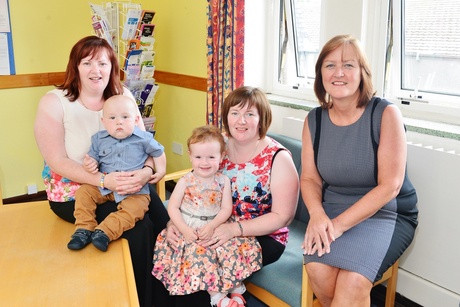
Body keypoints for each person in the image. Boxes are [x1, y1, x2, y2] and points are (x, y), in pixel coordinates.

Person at [34, 35, 169, 307]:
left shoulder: (124, 97)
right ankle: (143, 300)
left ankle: (179, 289)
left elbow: (144, 143)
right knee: (141, 229)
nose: (96, 71)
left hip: (127, 184)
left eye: (103, 63)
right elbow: (57, 160)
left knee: (165, 223)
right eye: (87, 63)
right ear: (75, 66)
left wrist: (146, 172)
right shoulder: (54, 102)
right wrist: (105, 180)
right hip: (78, 192)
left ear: (112, 67)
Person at [300, 34, 418, 306]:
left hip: (387, 213)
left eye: (348, 65)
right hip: (333, 209)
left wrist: (337, 227)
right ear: (320, 74)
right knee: (317, 269)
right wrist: (317, 215)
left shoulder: (385, 113)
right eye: (330, 65)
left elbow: (390, 186)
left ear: (363, 73)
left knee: (353, 283)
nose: (338, 73)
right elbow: (309, 178)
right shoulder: (313, 120)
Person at [154, 86, 300, 307]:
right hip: (212, 224)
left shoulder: (278, 158)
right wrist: (175, 222)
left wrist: (233, 230)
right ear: (226, 117)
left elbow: (283, 216)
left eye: (249, 114)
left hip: (261, 235)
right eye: (235, 113)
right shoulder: (217, 146)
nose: (241, 121)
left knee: (198, 274)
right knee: (172, 256)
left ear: (261, 119)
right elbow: (193, 188)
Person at [153, 125, 262, 307]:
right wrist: (185, 230)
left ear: (222, 156)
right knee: (201, 255)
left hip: (215, 224)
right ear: (190, 156)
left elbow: (226, 209)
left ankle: (236, 289)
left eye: (211, 157)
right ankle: (217, 297)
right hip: (189, 226)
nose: (205, 162)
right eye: (198, 157)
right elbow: (172, 208)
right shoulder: (186, 181)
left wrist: (213, 226)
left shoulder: (223, 180)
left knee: (230, 250)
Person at [67, 95, 166, 252]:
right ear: (104, 121)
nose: (119, 122)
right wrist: (90, 163)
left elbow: (159, 152)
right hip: (105, 187)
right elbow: (93, 157)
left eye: (125, 117)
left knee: (137, 210)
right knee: (83, 193)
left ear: (136, 119)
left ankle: (104, 232)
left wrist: (160, 171)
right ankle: (84, 228)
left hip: (135, 190)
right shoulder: (99, 139)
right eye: (112, 118)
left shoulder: (143, 139)